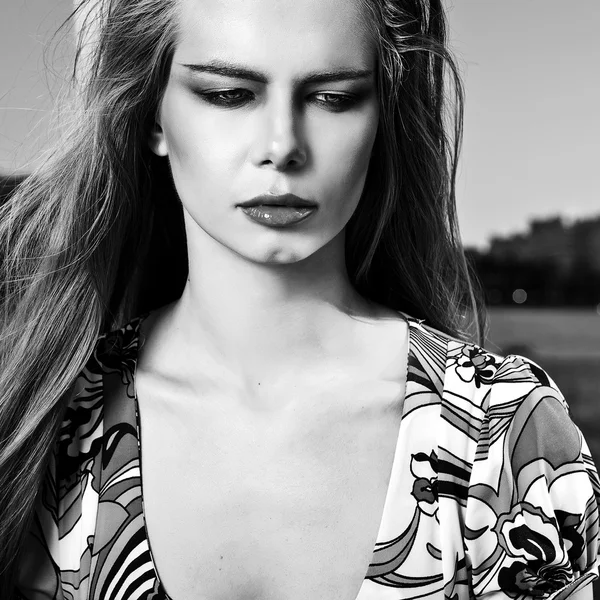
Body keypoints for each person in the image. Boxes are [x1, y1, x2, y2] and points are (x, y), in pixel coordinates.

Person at [1, 0, 598, 598]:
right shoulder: (40, 429)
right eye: (228, 94)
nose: (282, 146)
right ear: (152, 117)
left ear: (381, 118)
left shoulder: (503, 434)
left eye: (332, 98)